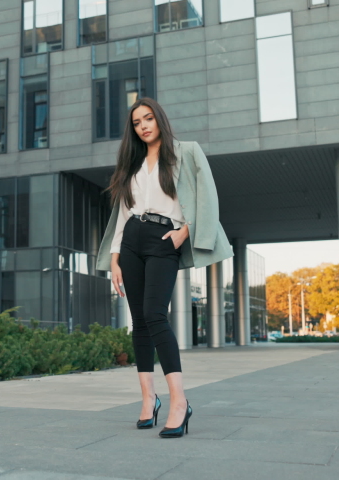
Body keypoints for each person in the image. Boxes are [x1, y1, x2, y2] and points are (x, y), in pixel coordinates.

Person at [96, 97, 233, 438]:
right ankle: (148, 400)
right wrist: (114, 258)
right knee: (139, 323)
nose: (143, 126)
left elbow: (206, 197)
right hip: (130, 242)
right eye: (137, 122)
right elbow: (124, 213)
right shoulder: (133, 163)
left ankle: (179, 402)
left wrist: (183, 233)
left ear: (159, 119)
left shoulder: (186, 152)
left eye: (148, 118)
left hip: (163, 238)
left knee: (156, 315)